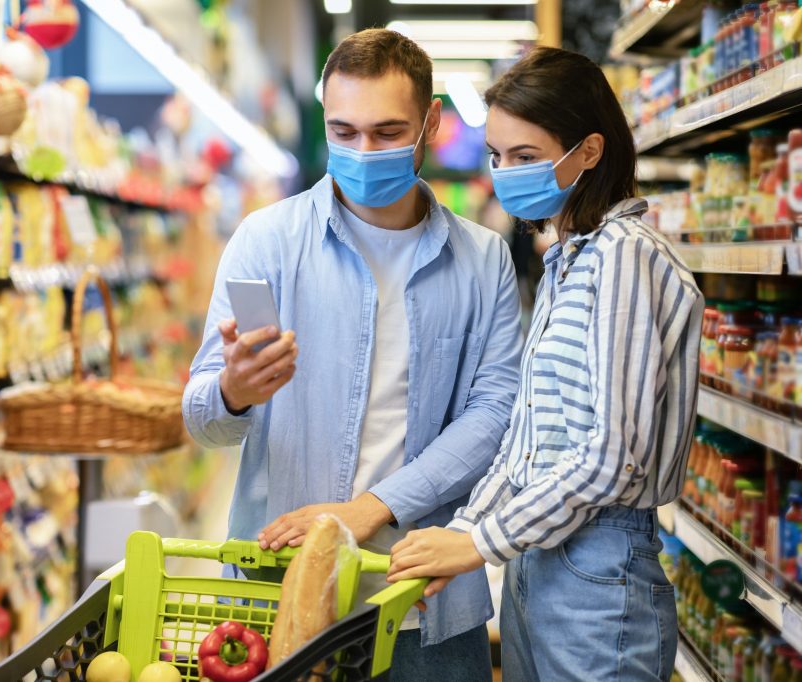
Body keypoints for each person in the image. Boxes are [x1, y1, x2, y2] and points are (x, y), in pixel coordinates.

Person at [182, 28, 522, 681]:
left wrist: (368, 509)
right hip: (278, 598)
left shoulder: (483, 261)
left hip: (427, 602)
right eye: (344, 133)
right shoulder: (267, 242)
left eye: (388, 133)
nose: (363, 152)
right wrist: (234, 393)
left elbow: (493, 419)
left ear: (430, 124)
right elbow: (201, 419)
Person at [387, 46, 704, 681]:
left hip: (600, 573)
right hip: (536, 561)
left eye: (526, 157)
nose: (505, 174)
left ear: (589, 151)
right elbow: (529, 443)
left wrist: (475, 542)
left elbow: (614, 457)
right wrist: (465, 536)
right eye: (498, 156)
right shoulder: (570, 259)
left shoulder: (624, 258)